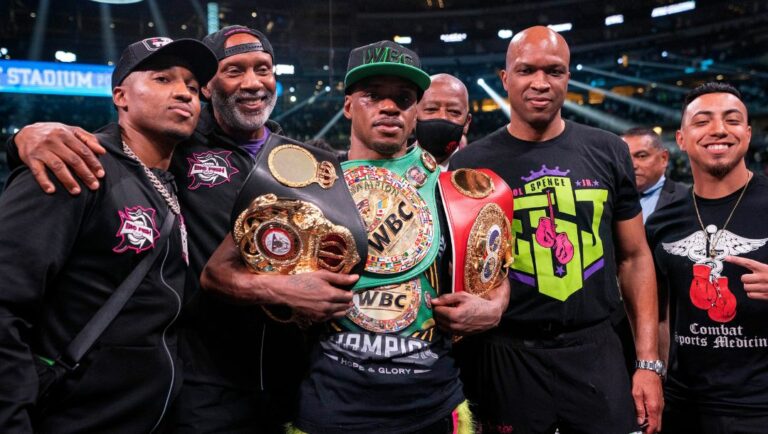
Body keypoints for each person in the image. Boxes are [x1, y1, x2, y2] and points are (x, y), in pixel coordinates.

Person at [7, 25, 353, 433]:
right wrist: (26, 138)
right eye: (234, 70)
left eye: (263, 68)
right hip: (195, 394)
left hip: (278, 390)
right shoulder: (173, 146)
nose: (252, 82)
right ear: (212, 89)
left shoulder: (310, 162)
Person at [202, 40, 511, 433]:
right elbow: (215, 275)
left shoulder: (450, 190)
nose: (389, 107)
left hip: (433, 407)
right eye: (372, 95)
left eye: (403, 98)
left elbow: (498, 278)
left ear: (416, 111)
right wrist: (282, 290)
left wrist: (493, 309)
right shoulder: (308, 185)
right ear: (348, 105)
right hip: (333, 408)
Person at [449, 26, 663, 434]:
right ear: (504, 79)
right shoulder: (471, 163)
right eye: (526, 70)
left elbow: (635, 258)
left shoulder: (609, 150)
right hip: (507, 352)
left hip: (596, 348)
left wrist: (648, 363)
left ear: (568, 77)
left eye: (555, 70)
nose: (541, 83)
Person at [0, 37, 217, 432]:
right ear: (121, 96)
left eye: (191, 85)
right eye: (163, 78)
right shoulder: (73, 163)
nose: (183, 92)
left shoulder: (179, 180)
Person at [646, 82, 768, 433]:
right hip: (686, 406)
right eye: (702, 121)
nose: (718, 130)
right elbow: (658, 315)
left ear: (747, 133)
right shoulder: (663, 223)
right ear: (681, 138)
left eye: (731, 120)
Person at [622, 127, 687, 223]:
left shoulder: (686, 198)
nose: (632, 165)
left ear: (664, 158)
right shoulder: (610, 198)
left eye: (641, 156)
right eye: (624, 157)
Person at [414, 73, 472, 169]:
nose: (442, 117)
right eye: (431, 109)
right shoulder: (391, 170)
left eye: (454, 111)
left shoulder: (484, 172)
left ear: (467, 123)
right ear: (413, 115)